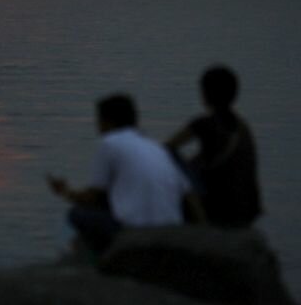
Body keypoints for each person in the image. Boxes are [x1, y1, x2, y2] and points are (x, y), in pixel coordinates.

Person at [48, 94, 202, 257]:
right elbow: (189, 193)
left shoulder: (109, 143)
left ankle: (105, 257)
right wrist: (202, 230)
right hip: (171, 229)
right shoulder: (156, 148)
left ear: (106, 121)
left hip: (135, 232)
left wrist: (65, 191)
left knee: (76, 214)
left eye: (99, 121)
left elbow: (93, 197)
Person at [166, 65, 262, 228]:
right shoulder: (242, 127)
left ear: (205, 94)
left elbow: (168, 147)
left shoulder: (204, 124)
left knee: (171, 158)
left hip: (218, 207)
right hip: (247, 210)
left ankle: (199, 218)